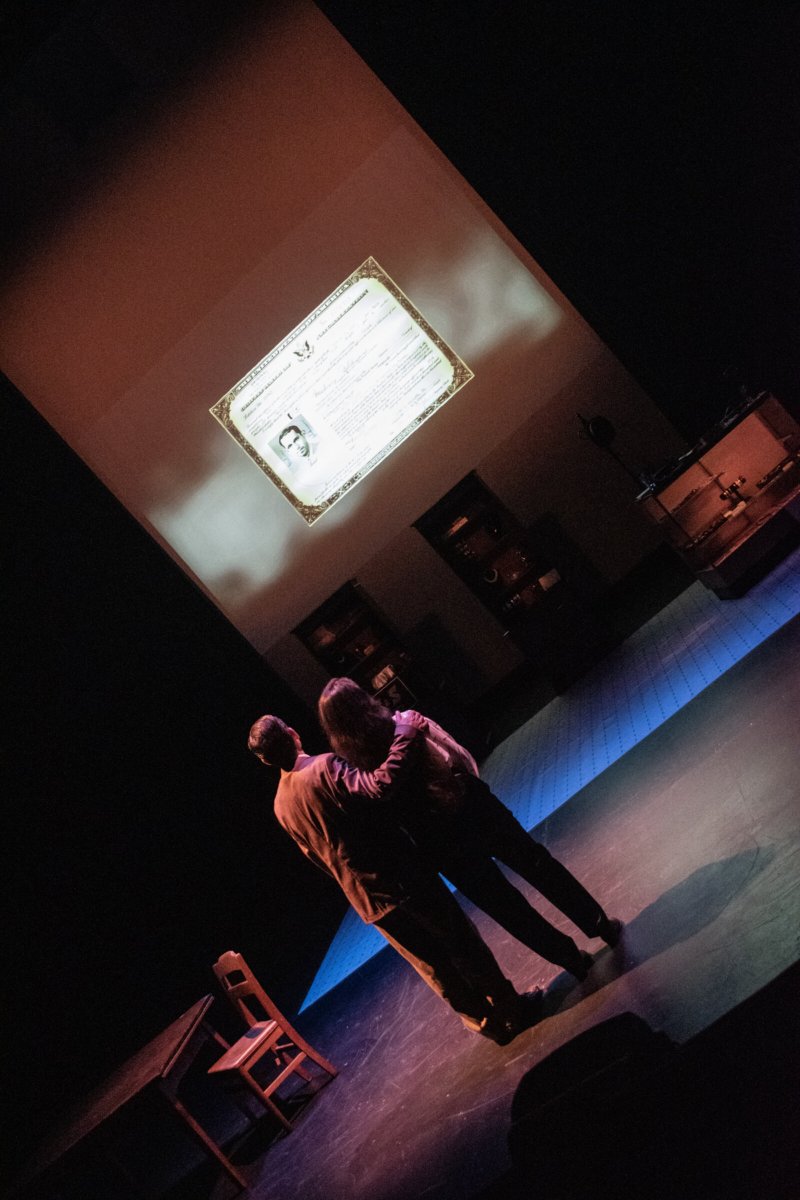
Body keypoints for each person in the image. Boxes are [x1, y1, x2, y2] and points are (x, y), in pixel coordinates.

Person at [248, 711, 542, 1045]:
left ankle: (486, 1024)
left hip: (366, 898)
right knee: (461, 943)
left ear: (265, 761)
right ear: (292, 732)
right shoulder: (325, 767)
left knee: (432, 965)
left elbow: (314, 857)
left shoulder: (280, 806)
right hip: (401, 876)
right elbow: (377, 789)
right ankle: (511, 1009)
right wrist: (405, 735)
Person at [317, 678, 622, 983]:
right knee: (536, 863)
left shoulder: (355, 768)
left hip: (436, 840)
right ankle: (598, 923)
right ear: (364, 701)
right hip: (470, 804)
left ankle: (571, 960)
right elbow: (451, 753)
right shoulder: (404, 723)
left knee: (504, 906)